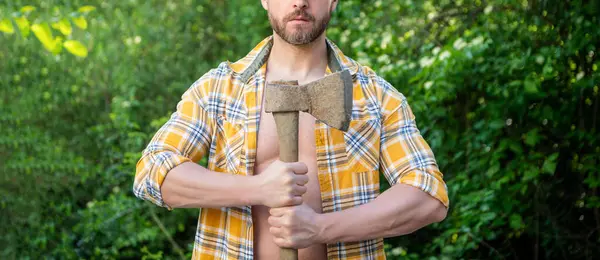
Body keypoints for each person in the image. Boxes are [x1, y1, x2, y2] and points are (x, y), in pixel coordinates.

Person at [133, 0, 449, 259]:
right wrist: (257, 189)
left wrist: (322, 228)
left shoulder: (376, 97)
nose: (299, 2)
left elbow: (427, 196)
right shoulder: (219, 89)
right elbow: (152, 171)